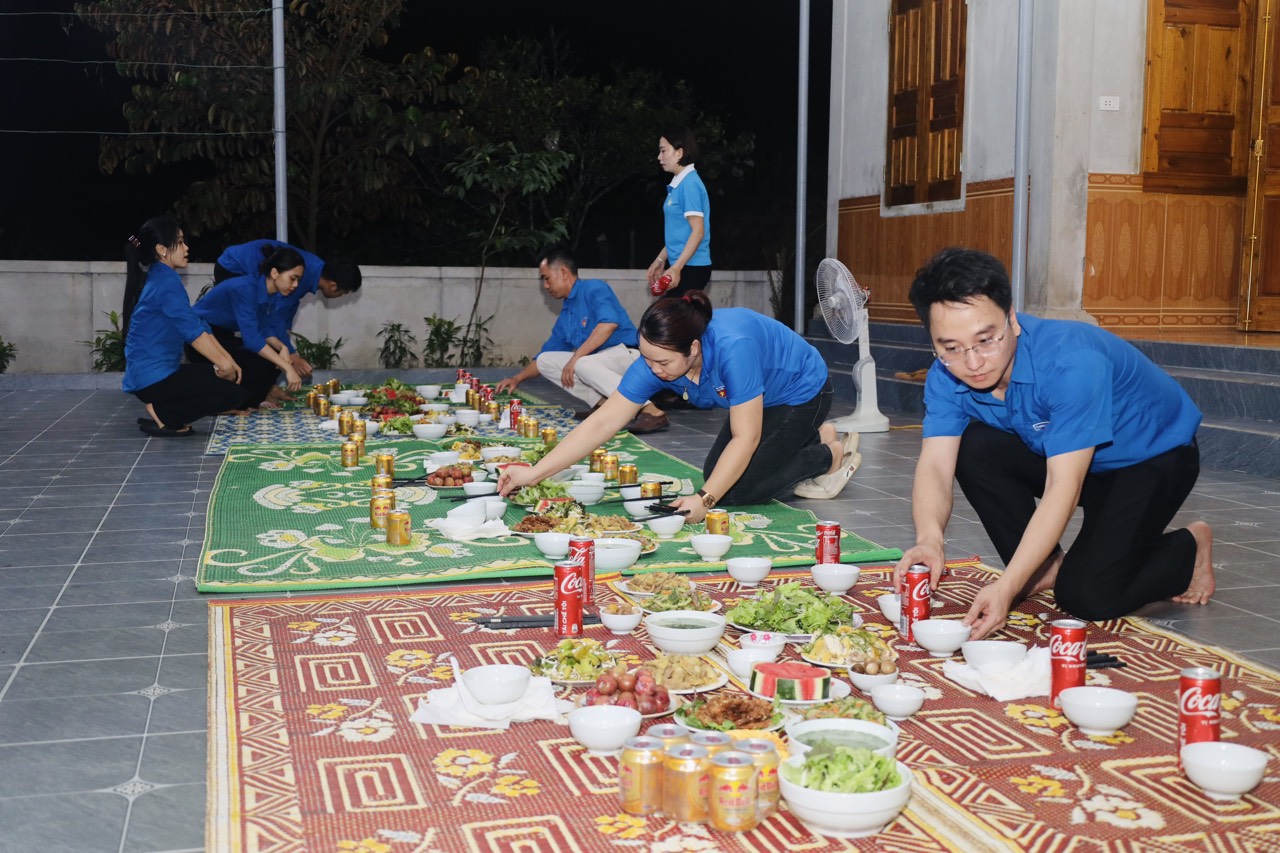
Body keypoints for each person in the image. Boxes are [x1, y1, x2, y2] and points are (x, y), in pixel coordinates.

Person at [892, 247, 1215, 641]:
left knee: (1087, 596)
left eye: (986, 340)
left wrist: (1007, 587)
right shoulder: (946, 374)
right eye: (951, 348)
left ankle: (1189, 549)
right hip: (1071, 457)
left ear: (1012, 319)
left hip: (1152, 460)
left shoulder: (1070, 362)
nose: (973, 363)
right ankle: (1044, 567)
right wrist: (929, 540)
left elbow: (1063, 485)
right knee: (975, 449)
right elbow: (935, 464)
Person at [497, 293, 862, 522]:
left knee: (735, 491)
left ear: (694, 349)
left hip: (803, 393)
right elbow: (603, 423)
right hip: (758, 401)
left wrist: (705, 499)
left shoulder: (733, 349)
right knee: (718, 473)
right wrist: (534, 473)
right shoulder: (656, 358)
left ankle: (827, 455)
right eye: (646, 358)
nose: (653, 370)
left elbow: (746, 437)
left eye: (662, 363)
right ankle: (808, 437)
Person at [495, 245, 670, 435]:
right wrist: (517, 378)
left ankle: (649, 410)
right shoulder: (566, 314)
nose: (545, 286)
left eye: (546, 278)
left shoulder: (594, 288)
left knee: (580, 363)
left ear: (563, 272)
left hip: (629, 355)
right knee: (546, 360)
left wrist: (576, 357)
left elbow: (608, 324)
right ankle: (604, 405)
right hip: (597, 363)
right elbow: (542, 359)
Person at [120, 216, 244, 437]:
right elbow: (192, 331)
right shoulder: (165, 282)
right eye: (180, 242)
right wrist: (224, 363)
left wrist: (228, 361)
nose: (186, 248)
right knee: (233, 393)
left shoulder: (162, 277)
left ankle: (167, 410)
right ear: (161, 250)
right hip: (153, 378)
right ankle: (164, 413)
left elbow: (198, 324)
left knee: (226, 377)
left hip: (155, 374)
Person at [214, 239, 362, 384]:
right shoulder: (302, 276)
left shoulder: (315, 270)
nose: (295, 284)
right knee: (256, 341)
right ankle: (256, 388)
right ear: (333, 286)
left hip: (240, 264)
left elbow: (288, 307)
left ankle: (267, 389)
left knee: (273, 346)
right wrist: (292, 356)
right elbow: (275, 317)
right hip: (233, 267)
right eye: (343, 293)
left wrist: (286, 346)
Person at [190, 247, 307, 411]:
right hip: (200, 339)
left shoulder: (270, 293)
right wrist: (288, 367)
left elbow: (266, 328)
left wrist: (283, 348)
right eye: (293, 278)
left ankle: (251, 402)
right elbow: (252, 340)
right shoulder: (245, 288)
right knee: (261, 360)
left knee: (275, 357)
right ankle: (232, 405)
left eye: (299, 280)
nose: (295, 285)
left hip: (221, 335)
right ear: (274, 273)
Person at [646, 127, 712, 299]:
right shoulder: (679, 184)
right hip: (684, 266)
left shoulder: (690, 185)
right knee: (669, 315)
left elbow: (698, 232)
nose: (659, 157)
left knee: (662, 315)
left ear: (679, 152)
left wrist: (677, 268)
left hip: (692, 267)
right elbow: (679, 234)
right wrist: (661, 259)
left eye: (663, 151)